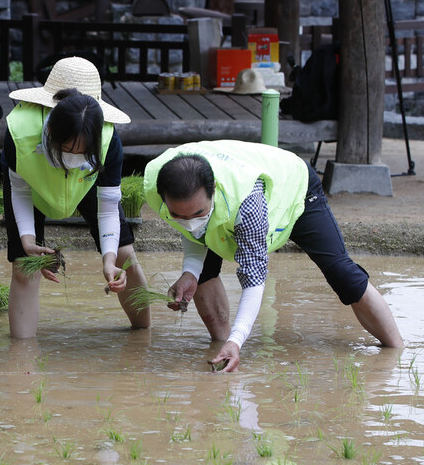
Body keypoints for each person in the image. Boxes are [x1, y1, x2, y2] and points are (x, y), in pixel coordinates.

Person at [144, 140, 403, 372]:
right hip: (232, 201)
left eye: (198, 212)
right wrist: (190, 270)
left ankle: (397, 355)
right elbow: (192, 231)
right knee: (204, 273)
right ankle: (221, 354)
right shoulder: (159, 184)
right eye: (178, 215)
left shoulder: (247, 203)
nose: (188, 221)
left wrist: (239, 339)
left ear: (214, 192)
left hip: (294, 189)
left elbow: (254, 280)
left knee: (342, 274)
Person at [2, 56, 150, 338]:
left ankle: (143, 338)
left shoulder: (109, 140)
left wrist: (108, 260)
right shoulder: (19, 133)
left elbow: (107, 207)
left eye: (83, 150)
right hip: (31, 185)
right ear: (50, 132)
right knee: (24, 266)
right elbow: (19, 189)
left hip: (87, 183)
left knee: (124, 254)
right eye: (67, 148)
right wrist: (27, 240)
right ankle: (21, 360)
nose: (73, 155)